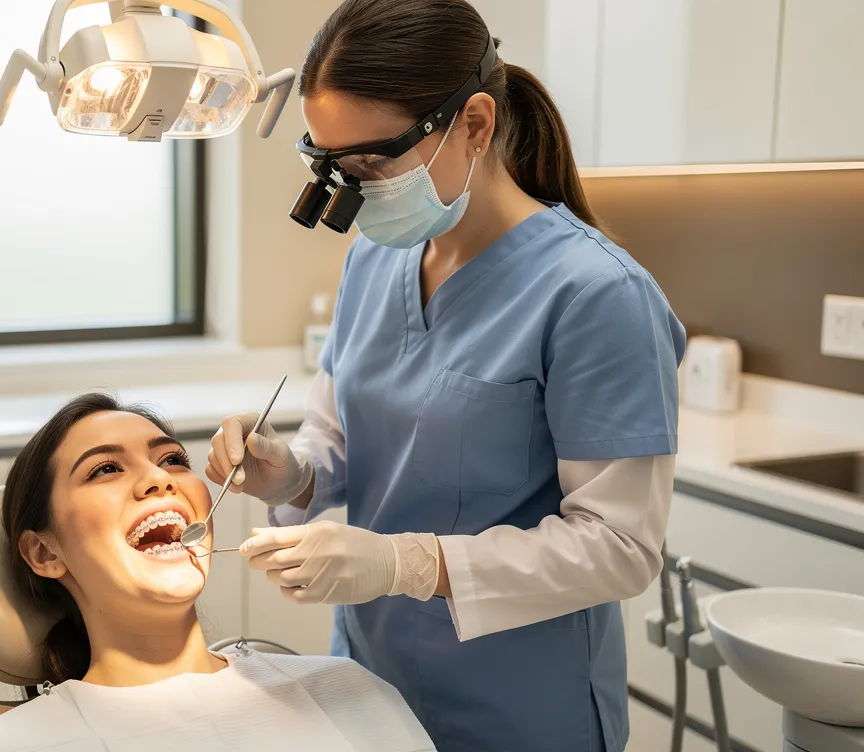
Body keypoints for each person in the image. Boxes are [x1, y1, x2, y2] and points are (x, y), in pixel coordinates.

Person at [206, 1, 686, 751]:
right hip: (370, 680)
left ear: (474, 124)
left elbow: (619, 548)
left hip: (520, 706)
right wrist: (291, 476)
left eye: (371, 164)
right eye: (331, 166)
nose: (352, 191)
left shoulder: (597, 296)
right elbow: (348, 448)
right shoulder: (373, 256)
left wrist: (407, 562)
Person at [0, 393, 436, 752]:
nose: (161, 478)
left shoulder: (343, 689)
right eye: (104, 469)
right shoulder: (11, 745)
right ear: (43, 552)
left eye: (172, 460)